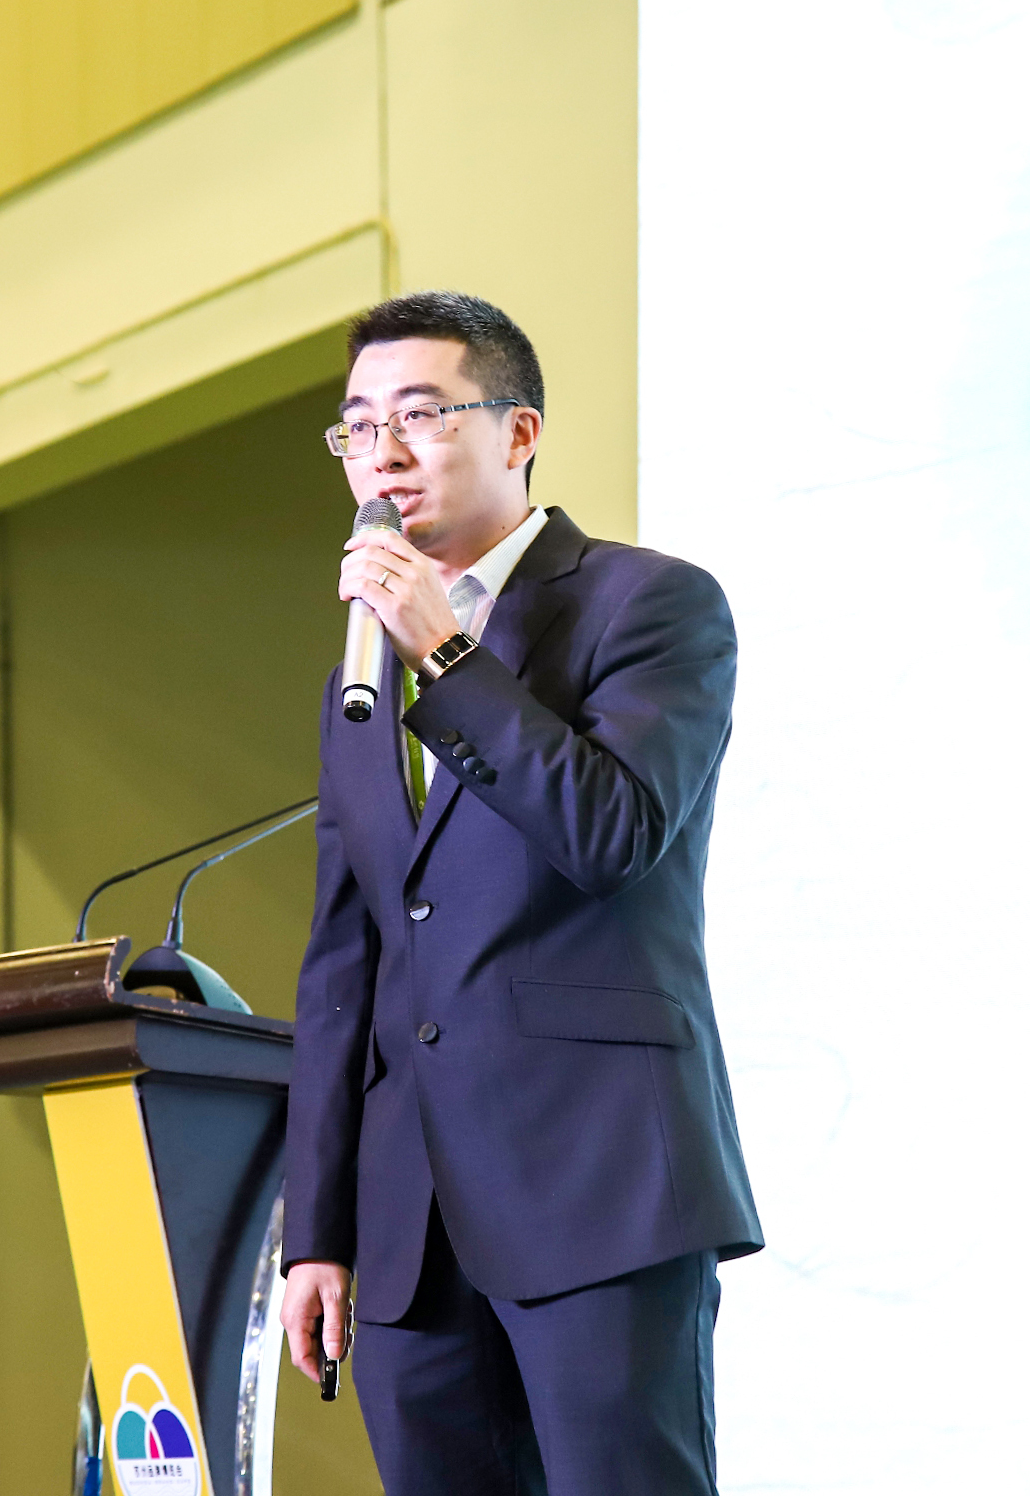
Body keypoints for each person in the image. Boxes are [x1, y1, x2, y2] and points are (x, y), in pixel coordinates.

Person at [279, 291, 763, 1495]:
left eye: (419, 415)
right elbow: (345, 959)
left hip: (597, 1181)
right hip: (407, 1221)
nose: (382, 453)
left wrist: (445, 654)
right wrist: (317, 1228)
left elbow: (611, 831)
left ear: (518, 430)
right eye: (356, 427)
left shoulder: (649, 603)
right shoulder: (359, 667)